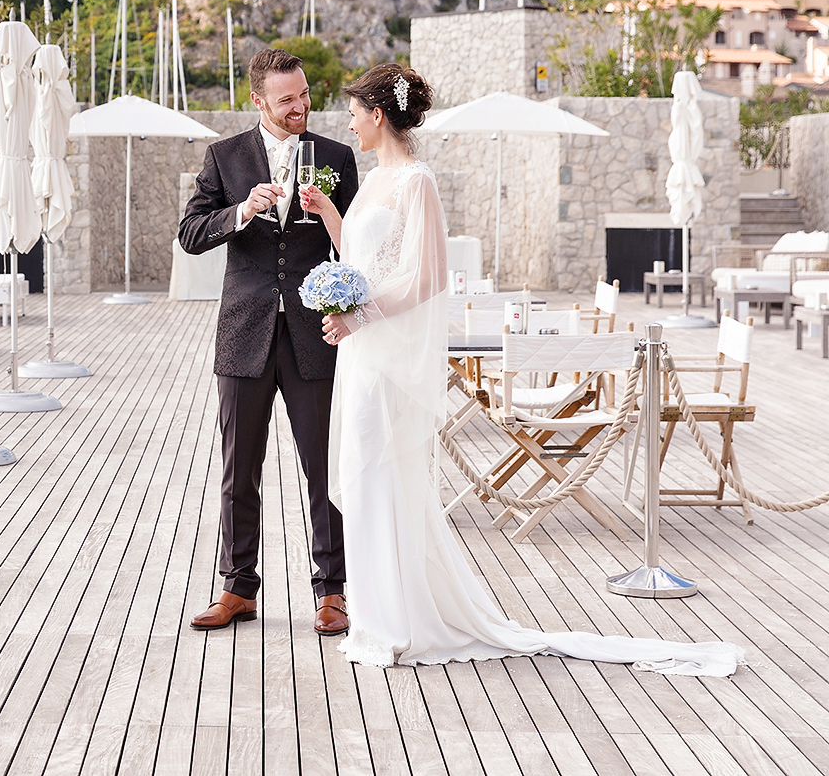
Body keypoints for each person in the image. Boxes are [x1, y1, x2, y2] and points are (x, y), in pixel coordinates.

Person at [295, 62, 743, 676]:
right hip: (364, 351)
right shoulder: (370, 182)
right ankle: (376, 613)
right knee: (360, 471)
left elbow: (426, 278)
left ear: (377, 114)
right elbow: (365, 257)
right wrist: (326, 214)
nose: (347, 122)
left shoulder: (417, 181)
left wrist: (360, 316)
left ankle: (397, 623)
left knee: (380, 473)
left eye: (353, 111)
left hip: (381, 348)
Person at [178, 48, 359, 636]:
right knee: (239, 468)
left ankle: (332, 591)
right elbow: (190, 234)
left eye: (305, 94)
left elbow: (355, 245)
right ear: (258, 102)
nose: (301, 106)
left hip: (316, 334)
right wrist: (240, 212)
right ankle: (238, 587)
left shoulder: (336, 156)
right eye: (288, 100)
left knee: (324, 469)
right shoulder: (223, 157)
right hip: (245, 332)